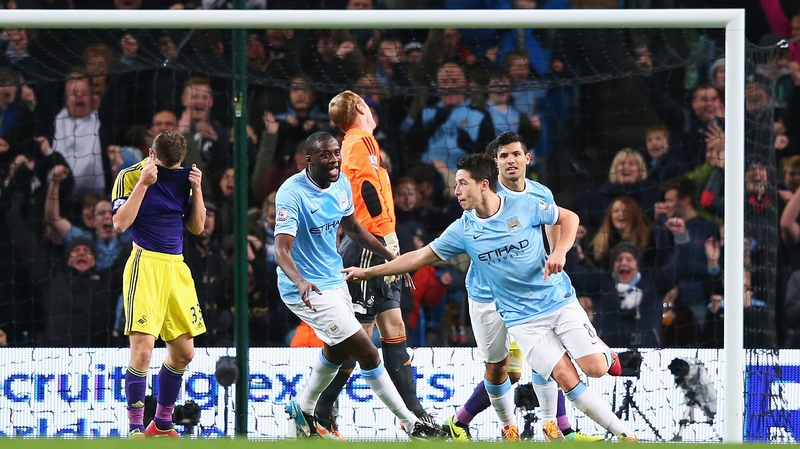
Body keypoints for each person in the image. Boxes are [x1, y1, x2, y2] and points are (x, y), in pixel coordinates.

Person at [343, 153, 638, 443]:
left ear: (484, 184)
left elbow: (568, 218)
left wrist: (559, 252)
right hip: (518, 316)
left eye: (462, 183)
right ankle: (619, 436)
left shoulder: (526, 203)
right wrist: (368, 272)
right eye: (456, 184)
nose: (456, 191)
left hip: (557, 300)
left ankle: (583, 382)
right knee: (530, 371)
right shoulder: (463, 228)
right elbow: (419, 257)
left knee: (595, 369)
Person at [277, 132, 444, 441]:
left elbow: (353, 228)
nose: (334, 160)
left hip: (335, 279)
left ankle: (303, 407)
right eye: (326, 155)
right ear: (309, 160)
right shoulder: (291, 193)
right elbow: (281, 250)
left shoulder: (341, 182)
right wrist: (299, 281)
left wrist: (391, 257)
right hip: (307, 288)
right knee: (367, 352)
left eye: (336, 153)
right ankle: (411, 423)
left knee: (338, 350)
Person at [442, 133, 605, 443]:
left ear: (527, 158)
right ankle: (462, 421)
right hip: (489, 297)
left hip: (528, 295)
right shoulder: (485, 195)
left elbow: (555, 228)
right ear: (494, 165)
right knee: (507, 371)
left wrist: (556, 258)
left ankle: (561, 429)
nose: (511, 161)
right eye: (503, 156)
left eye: (515, 154)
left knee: (547, 355)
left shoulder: (539, 193)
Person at [310, 90, 433, 438]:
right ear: (361, 107)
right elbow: (366, 189)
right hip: (370, 244)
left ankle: (415, 415)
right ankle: (321, 411)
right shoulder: (359, 141)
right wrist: (387, 239)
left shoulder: (357, 143)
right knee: (359, 337)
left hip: (374, 241)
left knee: (394, 327)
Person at [111, 130, 208, 438]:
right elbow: (119, 223)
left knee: (184, 353)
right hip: (145, 264)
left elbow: (197, 227)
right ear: (151, 154)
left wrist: (197, 189)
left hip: (176, 268)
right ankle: (135, 428)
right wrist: (144, 184)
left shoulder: (185, 177)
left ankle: (163, 423)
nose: (169, 172)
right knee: (143, 351)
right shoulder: (130, 175)